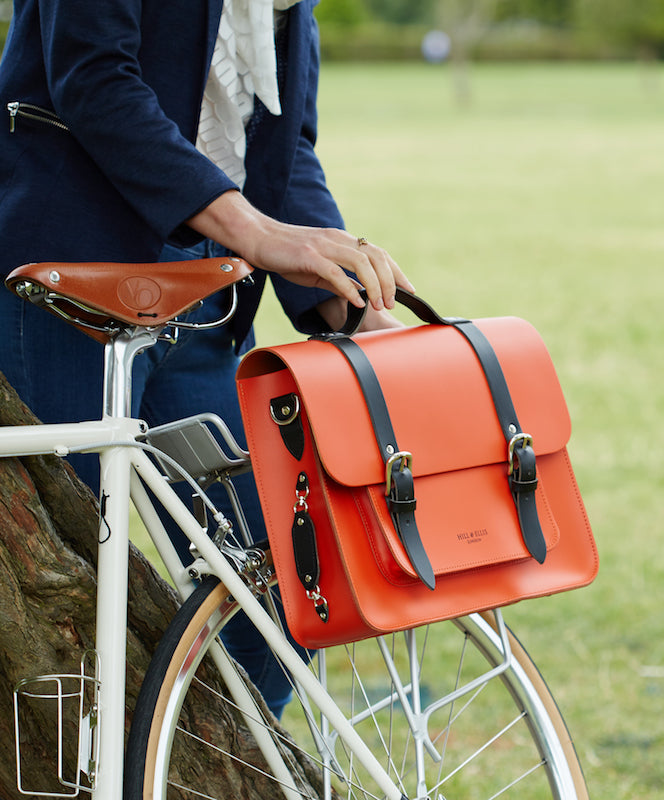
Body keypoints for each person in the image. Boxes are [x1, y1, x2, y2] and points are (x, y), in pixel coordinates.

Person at [0, 0, 413, 715]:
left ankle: (190, 768)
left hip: (211, 294)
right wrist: (255, 232)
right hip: (67, 286)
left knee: (291, 574)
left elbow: (281, 152)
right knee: (62, 591)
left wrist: (353, 302)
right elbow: (95, 77)